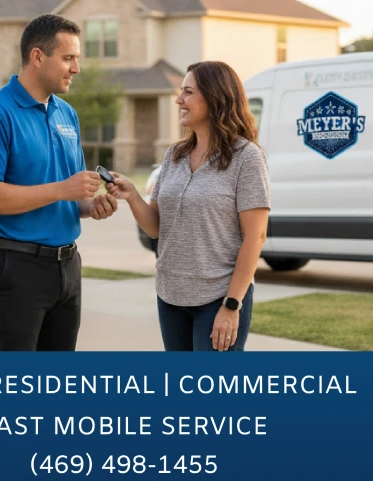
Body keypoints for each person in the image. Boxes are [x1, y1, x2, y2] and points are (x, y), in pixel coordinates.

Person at [0, 14, 118, 352]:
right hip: (15, 269)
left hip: (67, 267)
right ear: (37, 57)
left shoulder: (67, 114)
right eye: (68, 58)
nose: (76, 68)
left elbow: (72, 197)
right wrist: (63, 189)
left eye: (77, 58)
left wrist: (92, 206)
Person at [107, 61, 270, 352]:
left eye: (188, 92)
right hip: (170, 296)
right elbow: (157, 227)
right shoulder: (175, 155)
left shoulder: (246, 157)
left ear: (215, 97)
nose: (179, 100)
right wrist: (132, 195)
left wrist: (232, 305)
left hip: (218, 297)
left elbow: (255, 237)